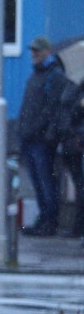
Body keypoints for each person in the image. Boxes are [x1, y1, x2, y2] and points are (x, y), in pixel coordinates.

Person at [18, 36, 71, 237]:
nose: (33, 54)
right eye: (32, 51)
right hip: (30, 138)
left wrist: (42, 133)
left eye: (37, 51)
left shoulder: (54, 76)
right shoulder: (36, 76)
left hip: (42, 140)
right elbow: (29, 108)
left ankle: (50, 221)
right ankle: (44, 219)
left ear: (48, 51)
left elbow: (51, 110)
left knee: (47, 182)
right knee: (38, 182)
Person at [56, 77, 84, 242]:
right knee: (80, 185)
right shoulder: (73, 85)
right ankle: (79, 227)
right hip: (73, 141)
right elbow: (69, 112)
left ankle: (79, 227)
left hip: (78, 140)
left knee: (81, 186)